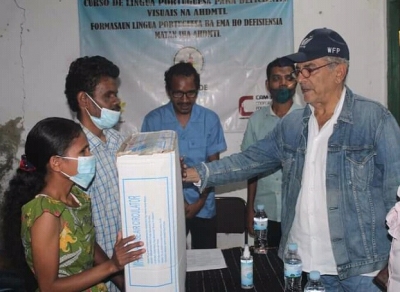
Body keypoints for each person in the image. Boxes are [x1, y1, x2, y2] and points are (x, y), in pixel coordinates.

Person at [181, 28, 400, 291]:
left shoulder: (373, 120)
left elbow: (396, 194)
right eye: (300, 70)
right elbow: (249, 160)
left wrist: (395, 262)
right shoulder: (294, 125)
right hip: (305, 267)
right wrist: (190, 173)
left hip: (362, 270)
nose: (301, 79)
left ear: (338, 71)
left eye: (309, 69)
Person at [0, 117, 145, 291]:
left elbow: (88, 242)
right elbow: (49, 287)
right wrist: (112, 266)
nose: (90, 157)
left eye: (89, 149)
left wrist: (120, 280)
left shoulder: (77, 196)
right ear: (56, 163)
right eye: (83, 152)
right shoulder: (46, 213)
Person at [141, 62, 227, 249]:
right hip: (166, 209)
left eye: (191, 93)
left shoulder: (209, 119)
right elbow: (148, 170)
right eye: (178, 93)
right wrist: (175, 202)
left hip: (203, 206)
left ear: (197, 91)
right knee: (169, 263)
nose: (185, 100)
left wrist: (200, 202)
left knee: (207, 265)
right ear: (168, 91)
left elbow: (214, 169)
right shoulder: (153, 121)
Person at [64, 56, 125, 291]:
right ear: (84, 100)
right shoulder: (70, 155)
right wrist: (117, 275)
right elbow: (80, 227)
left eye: (115, 93)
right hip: (101, 278)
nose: (116, 101)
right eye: (108, 95)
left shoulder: (120, 142)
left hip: (130, 266)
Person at [241, 57, 302, 248]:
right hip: (264, 211)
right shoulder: (257, 121)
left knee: (297, 267)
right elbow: (251, 169)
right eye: (276, 78)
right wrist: (249, 208)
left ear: (296, 82)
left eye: (288, 78)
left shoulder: (308, 119)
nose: (283, 83)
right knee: (266, 267)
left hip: (298, 211)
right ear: (268, 85)